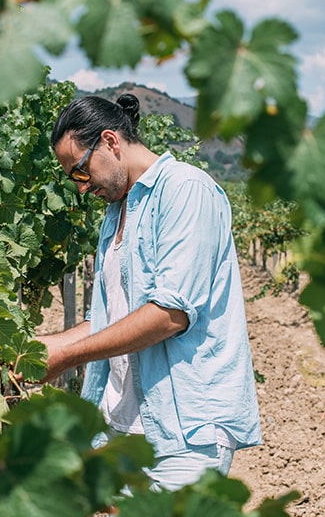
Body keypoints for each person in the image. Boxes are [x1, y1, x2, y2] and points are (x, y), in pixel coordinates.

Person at [39, 93, 261, 491]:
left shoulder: (185, 191)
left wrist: (67, 355)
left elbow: (169, 314)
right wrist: (45, 346)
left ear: (110, 141)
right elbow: (115, 319)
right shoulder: (117, 212)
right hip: (125, 426)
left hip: (184, 430)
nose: (82, 187)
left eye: (81, 171)